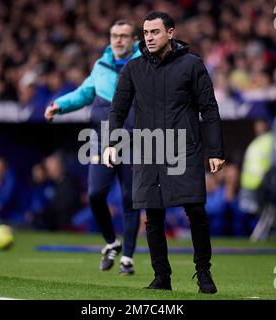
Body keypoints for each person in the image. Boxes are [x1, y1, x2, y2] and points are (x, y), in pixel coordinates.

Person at [104, 11, 225, 294]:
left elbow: (209, 108)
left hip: (185, 149)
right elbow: (117, 110)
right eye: (146, 33)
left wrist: (216, 151)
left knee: (195, 210)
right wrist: (111, 143)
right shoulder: (132, 69)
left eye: (155, 32)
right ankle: (162, 277)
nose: (149, 37)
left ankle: (203, 272)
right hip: (148, 149)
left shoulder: (192, 65)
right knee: (153, 215)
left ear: (170, 33)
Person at [44, 20, 142, 275]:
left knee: (130, 199)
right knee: (96, 194)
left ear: (133, 40)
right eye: (114, 36)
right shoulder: (101, 66)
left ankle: (128, 258)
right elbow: (84, 93)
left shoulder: (145, 63)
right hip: (102, 138)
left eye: (124, 36)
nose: (118, 40)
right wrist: (60, 105)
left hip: (135, 139)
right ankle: (111, 242)